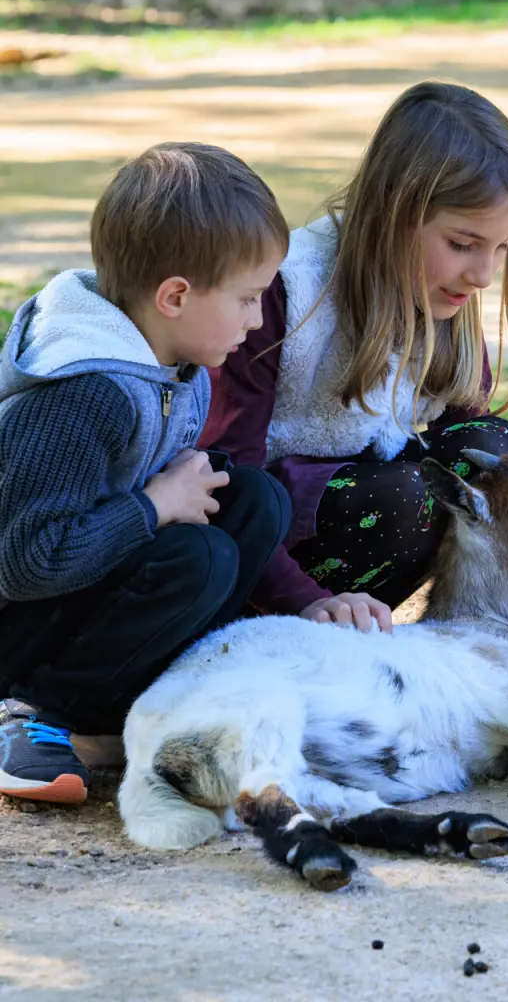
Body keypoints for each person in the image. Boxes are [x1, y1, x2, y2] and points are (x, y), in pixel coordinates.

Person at [202, 81, 508, 630]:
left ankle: (497, 597)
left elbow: (476, 437)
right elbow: (226, 479)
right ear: (394, 215)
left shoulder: (440, 297)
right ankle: (302, 623)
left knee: (496, 449)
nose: (484, 274)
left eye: (502, 245)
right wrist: (303, 598)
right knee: (410, 498)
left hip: (361, 528)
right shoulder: (284, 294)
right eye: (463, 244)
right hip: (261, 557)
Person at [0, 142, 291, 804]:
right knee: (196, 555)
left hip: (81, 594)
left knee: (252, 502)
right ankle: (30, 716)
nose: (256, 319)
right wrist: (156, 507)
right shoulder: (79, 391)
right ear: (176, 296)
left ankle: (149, 705)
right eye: (247, 299)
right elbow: (25, 561)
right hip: (17, 624)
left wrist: (173, 494)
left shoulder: (172, 357)